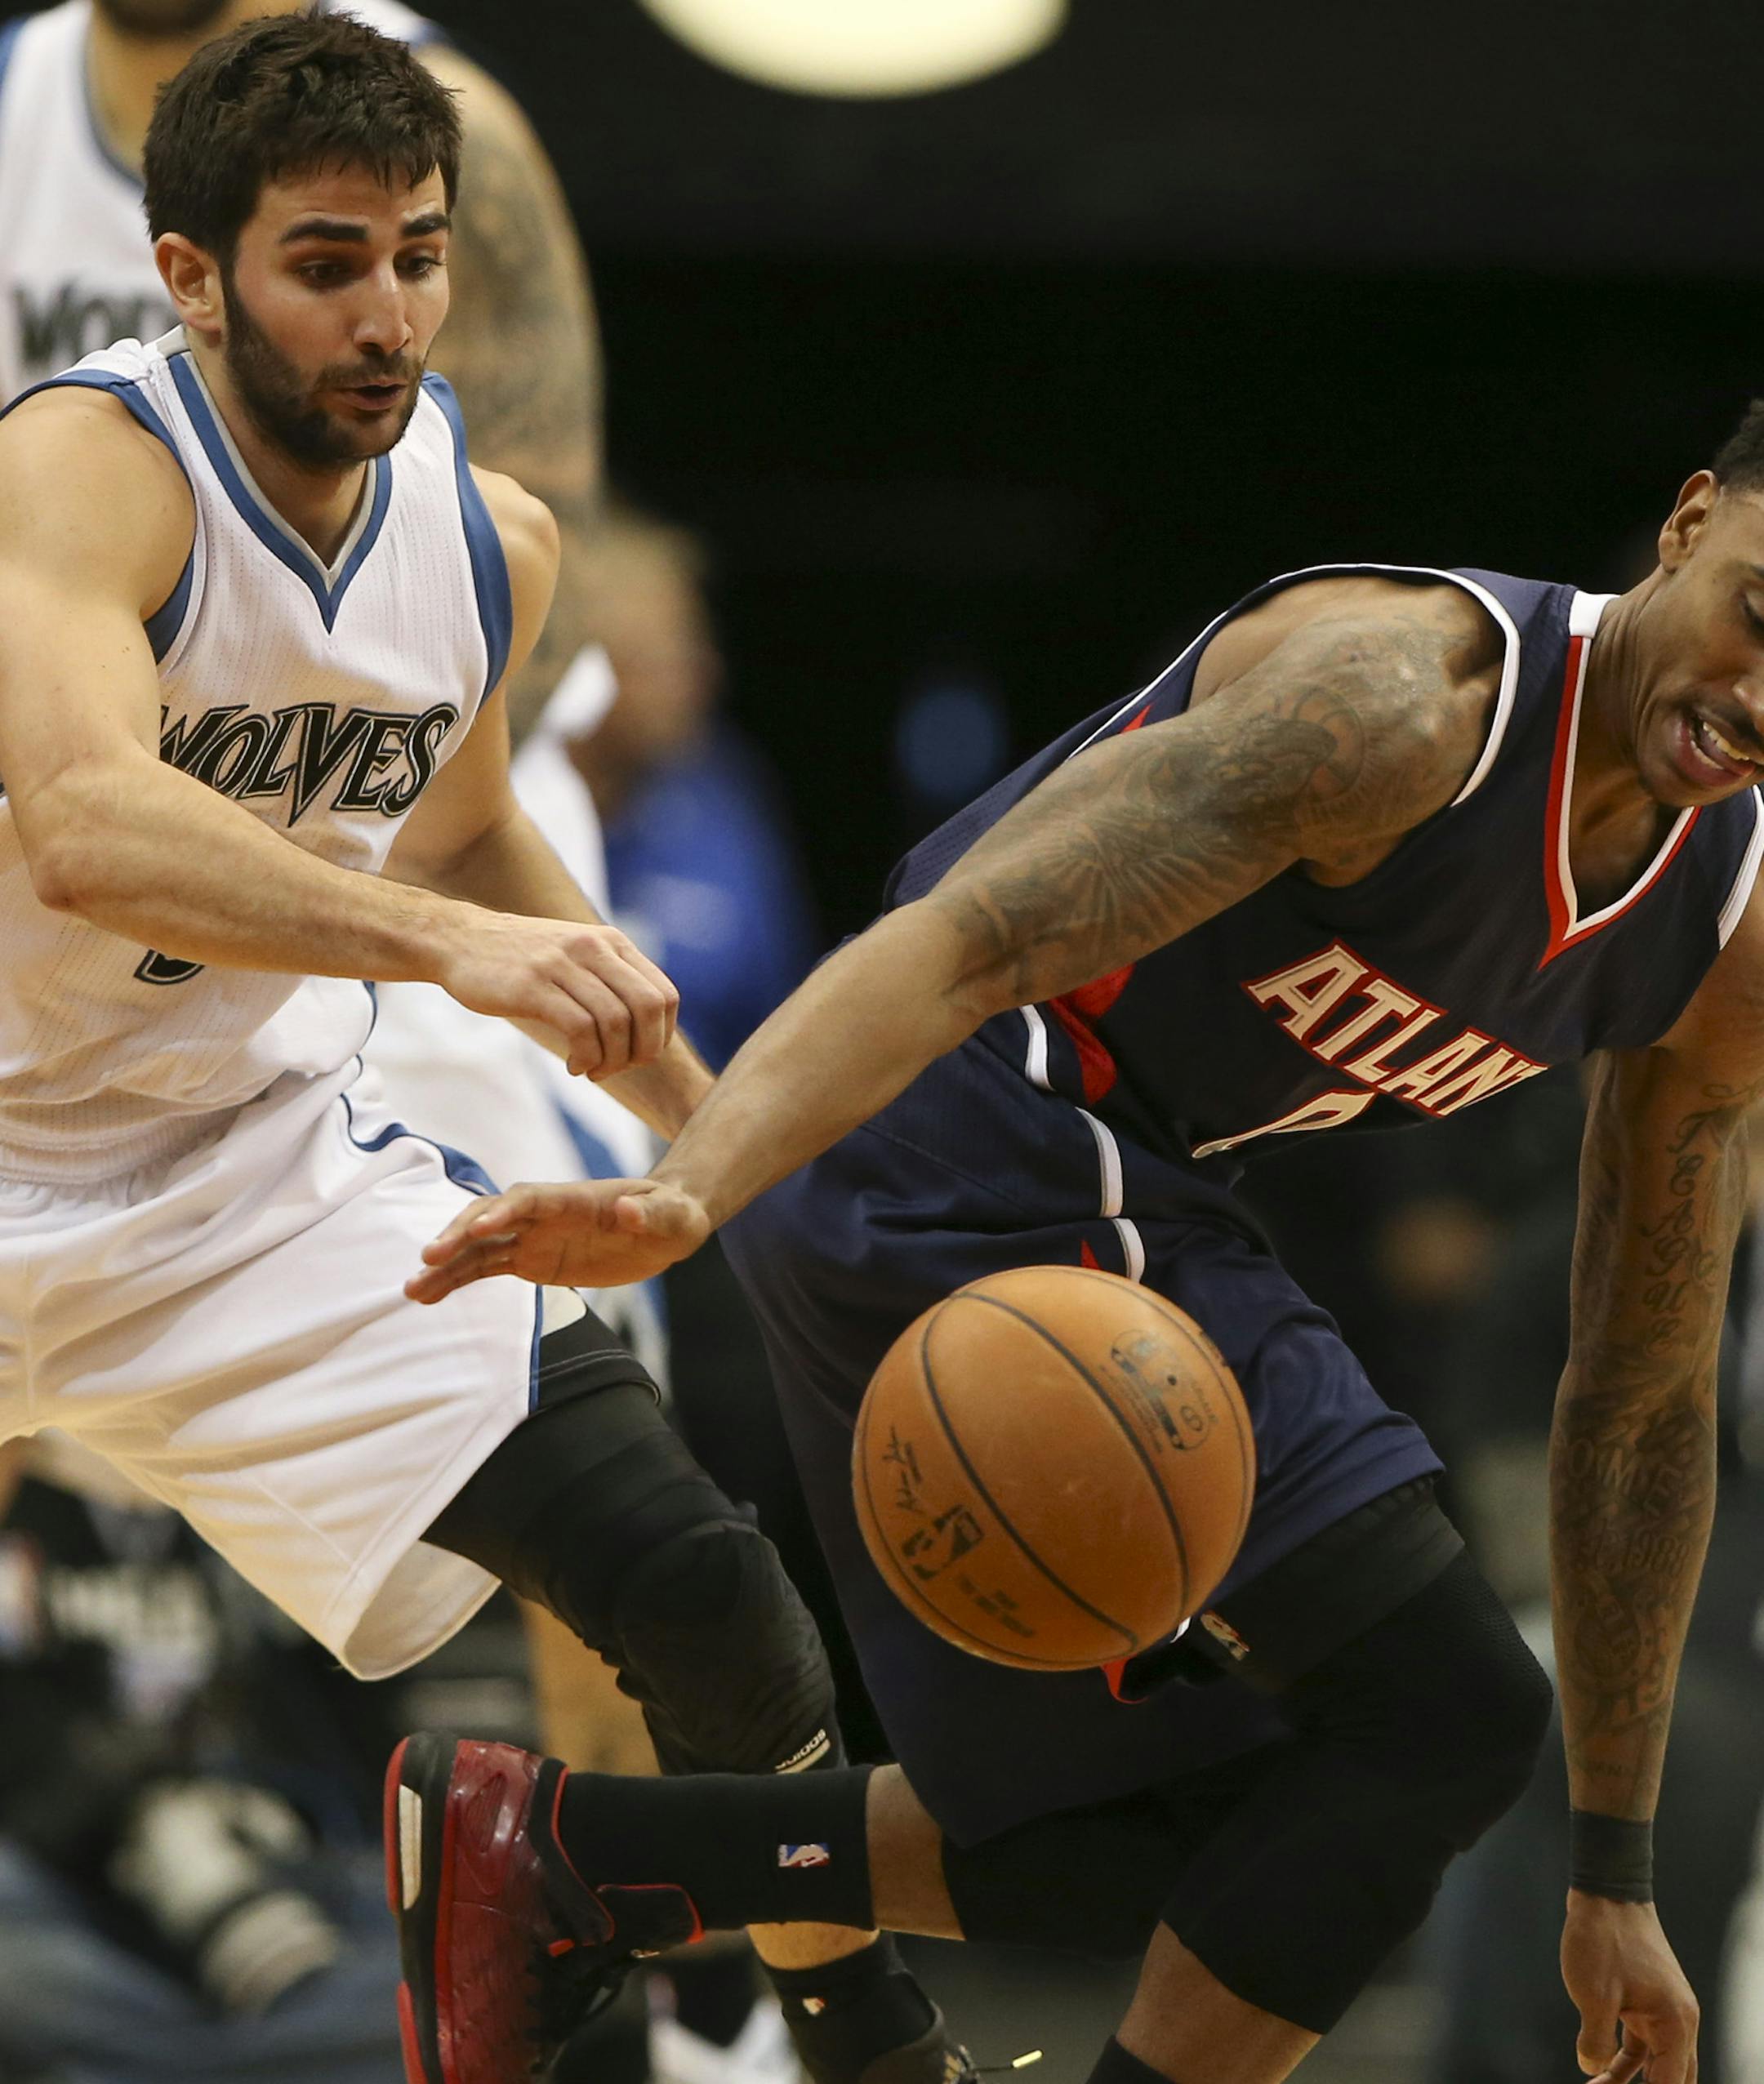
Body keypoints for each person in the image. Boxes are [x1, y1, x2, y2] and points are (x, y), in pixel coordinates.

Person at [405, 448, 1764, 2084]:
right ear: (1688, 523)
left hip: (1089, 1194)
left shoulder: (1728, 927)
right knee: (1444, 1711)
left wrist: (1615, 1877)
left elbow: (1641, 1387)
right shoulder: (1404, 705)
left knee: (1184, 1829)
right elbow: (971, 936)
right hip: (974, 1125)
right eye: (1758, 612)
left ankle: (552, 1855)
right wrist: (693, 1185)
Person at [0, 16, 964, 2084]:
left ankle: (841, 2037)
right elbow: (86, 827)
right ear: (190, 276)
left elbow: (449, 821)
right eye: (326, 262)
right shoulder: (82, 468)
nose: (388, 312)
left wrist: (712, 1132)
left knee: (706, 1594)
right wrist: (450, 947)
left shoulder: (484, 537)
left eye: (417, 258)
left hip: (232, 1185)